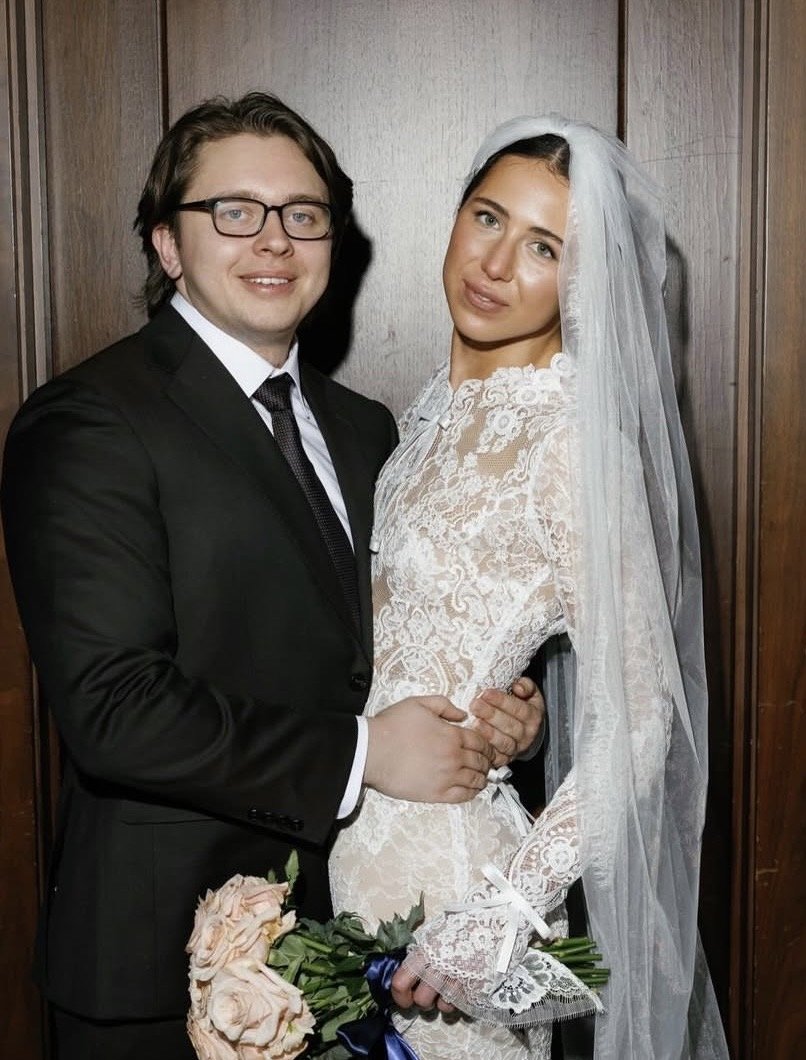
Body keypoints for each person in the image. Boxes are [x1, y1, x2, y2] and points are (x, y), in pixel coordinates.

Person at [0, 93, 543, 1060]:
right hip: (165, 972)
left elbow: (389, 638)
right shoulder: (88, 422)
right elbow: (115, 707)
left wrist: (498, 708)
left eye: (304, 215)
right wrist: (359, 754)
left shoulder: (371, 428)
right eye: (234, 212)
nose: (275, 241)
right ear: (168, 243)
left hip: (362, 949)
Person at [330, 116, 731, 1058]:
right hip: (351, 856)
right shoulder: (429, 407)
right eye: (487, 218)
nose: (497, 262)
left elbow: (642, 714)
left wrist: (503, 910)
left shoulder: (571, 439)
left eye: (544, 247)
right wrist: (523, 708)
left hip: (452, 895)